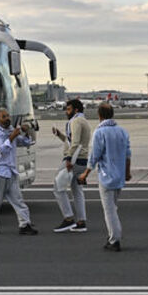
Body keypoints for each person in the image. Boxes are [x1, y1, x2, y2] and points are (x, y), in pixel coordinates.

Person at [80, 103, 131, 252]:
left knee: (109, 210)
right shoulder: (122, 131)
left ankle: (114, 239)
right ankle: (112, 235)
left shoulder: (100, 132)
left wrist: (86, 173)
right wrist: (127, 173)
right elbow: (128, 155)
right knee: (113, 207)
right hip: (120, 176)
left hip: (106, 176)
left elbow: (95, 156)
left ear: (99, 115)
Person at [0, 108, 38, 235]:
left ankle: (25, 224)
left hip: (10, 171)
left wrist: (25, 132)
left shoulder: (11, 130)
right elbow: (1, 150)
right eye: (3, 117)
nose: (7, 119)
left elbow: (26, 142)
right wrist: (13, 136)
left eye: (7, 116)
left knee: (18, 199)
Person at [51, 99, 91, 233]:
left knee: (58, 187)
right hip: (83, 160)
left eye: (68, 109)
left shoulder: (76, 121)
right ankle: (81, 221)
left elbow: (75, 142)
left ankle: (68, 219)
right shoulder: (83, 120)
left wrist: (68, 158)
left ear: (76, 110)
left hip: (74, 159)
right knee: (77, 190)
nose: (66, 112)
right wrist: (60, 135)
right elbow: (71, 140)